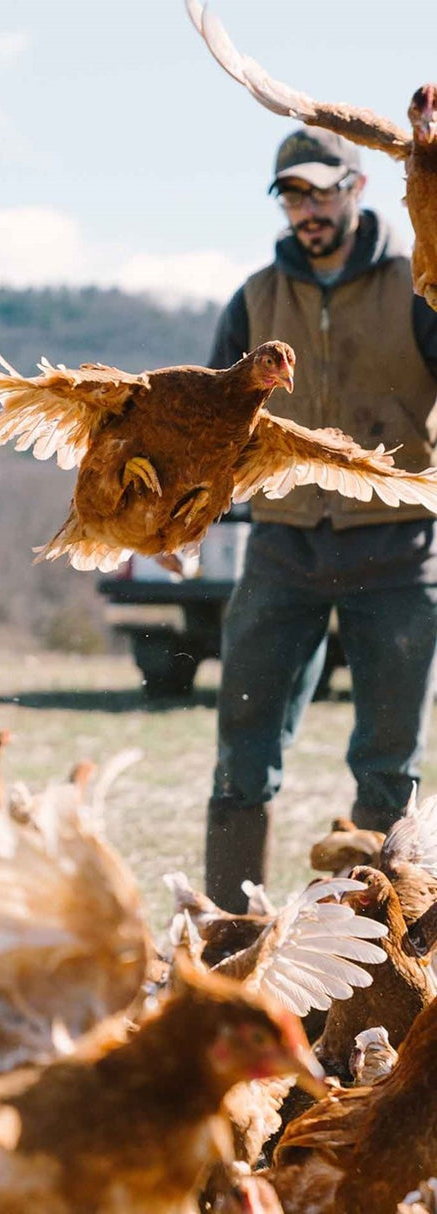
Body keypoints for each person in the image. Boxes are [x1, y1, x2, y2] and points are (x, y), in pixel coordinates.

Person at [204, 128, 437, 911]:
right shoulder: (255, 297)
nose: (309, 208)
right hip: (282, 544)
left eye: (322, 190)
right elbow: (211, 424)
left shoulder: (420, 280)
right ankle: (227, 940)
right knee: (242, 754)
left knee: (387, 768)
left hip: (399, 548)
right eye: (293, 194)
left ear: (358, 186)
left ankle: (372, 958)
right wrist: (179, 521)